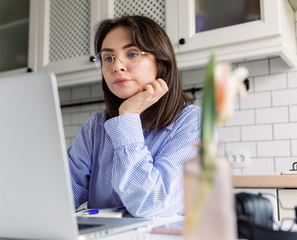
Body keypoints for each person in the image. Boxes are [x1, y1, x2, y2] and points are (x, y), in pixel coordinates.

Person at [67, 15, 201, 218]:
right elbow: (62, 194)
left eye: (131, 54)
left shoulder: (192, 122)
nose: (116, 66)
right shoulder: (96, 126)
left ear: (160, 61)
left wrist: (127, 118)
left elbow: (150, 204)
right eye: (108, 57)